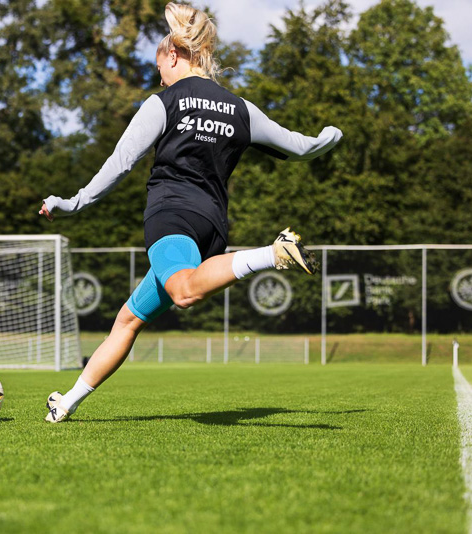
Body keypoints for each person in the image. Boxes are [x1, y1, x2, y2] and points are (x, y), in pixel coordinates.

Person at [39, 2, 342, 423]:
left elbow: (121, 162)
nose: (158, 74)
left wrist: (73, 202)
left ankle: (272, 254)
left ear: (175, 56)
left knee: (183, 292)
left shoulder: (164, 102)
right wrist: (328, 138)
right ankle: (66, 402)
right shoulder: (241, 108)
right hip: (212, 228)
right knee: (128, 318)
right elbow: (297, 146)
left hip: (170, 217)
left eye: (159, 64)